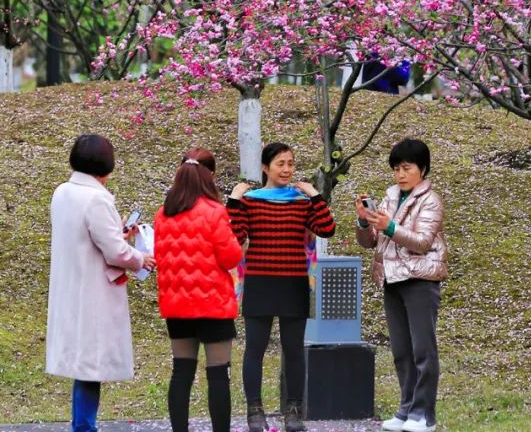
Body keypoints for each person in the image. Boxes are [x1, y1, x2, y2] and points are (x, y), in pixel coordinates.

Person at [46, 134, 155, 432]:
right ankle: (84, 427)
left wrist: (118, 232)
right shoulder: (97, 199)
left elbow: (88, 238)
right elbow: (115, 252)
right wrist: (140, 258)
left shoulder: (63, 192)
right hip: (93, 293)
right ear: (106, 164)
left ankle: (82, 426)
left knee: (84, 366)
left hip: (72, 287)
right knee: (90, 368)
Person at [227, 142, 336, 432]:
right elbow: (234, 235)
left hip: (293, 283)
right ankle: (255, 411)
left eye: (290, 163)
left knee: (293, 351)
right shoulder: (251, 201)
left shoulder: (301, 202)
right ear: (266, 168)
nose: (287, 169)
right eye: (280, 164)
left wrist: (314, 194)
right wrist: (234, 200)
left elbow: (327, 228)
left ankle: (294, 411)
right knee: (255, 350)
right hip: (260, 282)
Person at [355, 138, 447, 432]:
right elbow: (370, 242)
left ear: (422, 169)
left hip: (419, 280)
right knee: (401, 351)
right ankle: (406, 409)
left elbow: (422, 242)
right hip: (392, 279)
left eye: (407, 168)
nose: (401, 175)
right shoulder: (391, 197)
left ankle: (424, 415)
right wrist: (364, 223)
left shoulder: (430, 200)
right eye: (396, 169)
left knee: (423, 349)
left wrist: (390, 227)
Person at [153, 148, 243, 432]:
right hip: (213, 306)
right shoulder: (215, 212)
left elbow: (160, 256)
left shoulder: (163, 215)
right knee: (218, 375)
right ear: (210, 177)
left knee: (181, 372)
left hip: (177, 306)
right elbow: (230, 258)